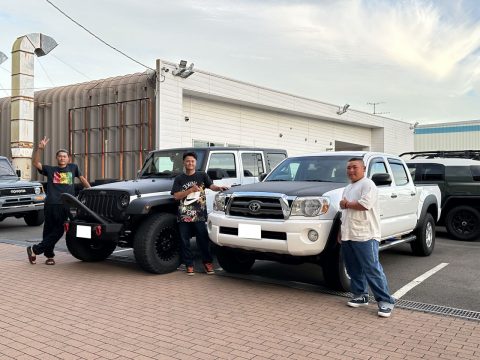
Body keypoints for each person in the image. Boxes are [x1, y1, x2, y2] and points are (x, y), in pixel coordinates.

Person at [339, 157, 395, 318]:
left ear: (363, 169)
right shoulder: (347, 188)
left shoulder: (368, 184)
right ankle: (360, 295)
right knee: (353, 268)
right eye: (348, 168)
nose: (351, 170)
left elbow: (364, 205)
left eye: (354, 167)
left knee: (372, 268)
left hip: (366, 234)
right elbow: (344, 213)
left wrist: (346, 204)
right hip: (349, 234)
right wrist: (340, 232)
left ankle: (385, 301)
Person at [27, 137, 90, 265]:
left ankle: (35, 249)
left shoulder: (73, 168)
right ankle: (49, 256)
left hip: (66, 204)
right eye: (60, 156)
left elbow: (82, 179)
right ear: (57, 158)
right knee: (49, 230)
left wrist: (91, 190)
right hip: (51, 204)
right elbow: (35, 163)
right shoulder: (50, 170)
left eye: (64, 156)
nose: (62, 158)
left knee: (60, 230)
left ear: (68, 158)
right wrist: (39, 149)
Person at [171, 151, 229, 275]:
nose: (190, 163)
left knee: (203, 240)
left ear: (195, 162)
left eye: (192, 161)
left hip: (199, 215)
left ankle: (207, 263)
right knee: (184, 241)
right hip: (184, 216)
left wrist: (219, 188)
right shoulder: (179, 179)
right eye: (187, 161)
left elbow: (211, 186)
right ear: (184, 162)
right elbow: (176, 196)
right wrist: (190, 190)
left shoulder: (202, 175)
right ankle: (189, 265)